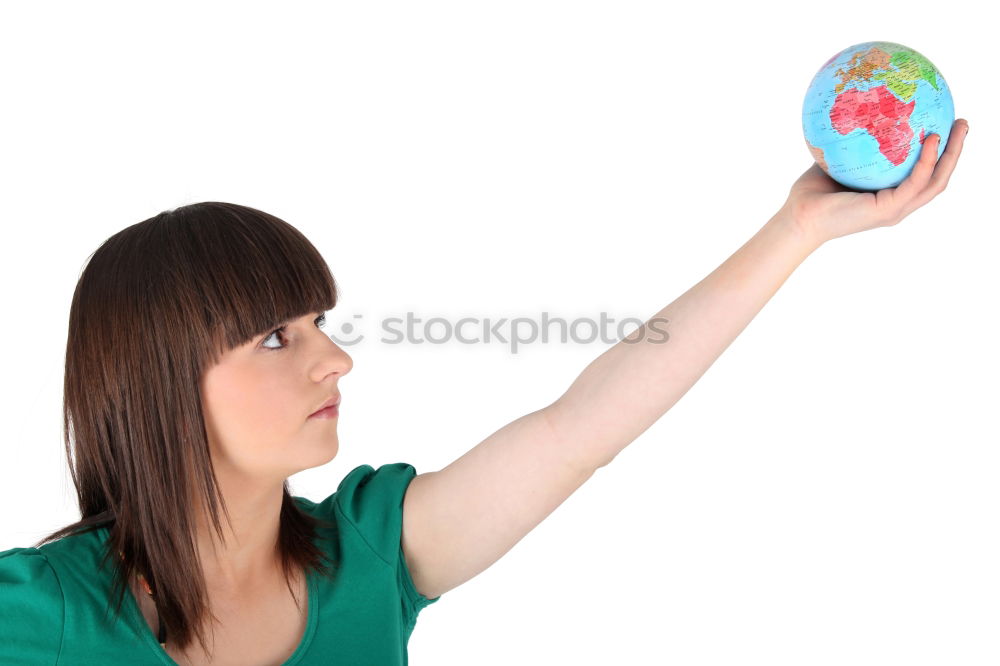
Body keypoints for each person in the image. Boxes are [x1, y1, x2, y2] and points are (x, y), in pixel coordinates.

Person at [0, 119, 968, 665]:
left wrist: (795, 231)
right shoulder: (31, 618)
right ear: (161, 382)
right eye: (273, 336)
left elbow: (581, 428)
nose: (335, 361)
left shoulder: (372, 559)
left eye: (323, 324)